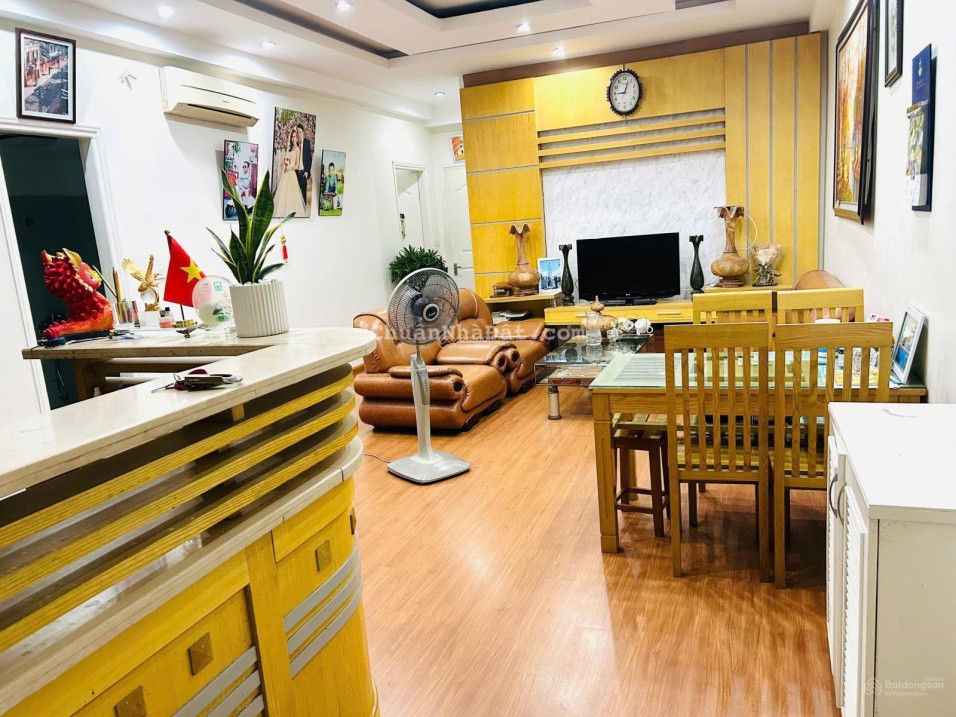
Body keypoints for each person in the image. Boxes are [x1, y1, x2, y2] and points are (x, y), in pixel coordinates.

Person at [273, 131, 306, 216]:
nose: (293, 139)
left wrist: (289, 168)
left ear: (297, 138)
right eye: (292, 137)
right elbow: (287, 161)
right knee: (283, 195)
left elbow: (297, 165)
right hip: (286, 174)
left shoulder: (297, 150)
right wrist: (285, 166)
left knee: (291, 196)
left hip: (292, 174)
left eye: (294, 137)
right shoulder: (289, 149)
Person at [294, 123, 313, 205]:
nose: (298, 134)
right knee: (295, 193)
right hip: (295, 172)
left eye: (300, 132)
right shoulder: (295, 143)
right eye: (297, 132)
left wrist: (307, 171)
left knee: (303, 194)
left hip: (303, 173)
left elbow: (309, 158)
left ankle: (303, 210)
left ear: (303, 132)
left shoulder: (307, 143)